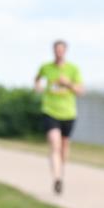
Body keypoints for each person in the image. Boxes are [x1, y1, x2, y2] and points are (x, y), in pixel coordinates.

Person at [34, 40, 84, 195]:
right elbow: (37, 79)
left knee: (64, 146)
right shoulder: (46, 67)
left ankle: (60, 173)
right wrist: (38, 87)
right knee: (54, 144)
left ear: (65, 51)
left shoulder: (73, 69)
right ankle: (56, 178)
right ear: (53, 51)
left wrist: (68, 84)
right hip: (50, 110)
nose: (59, 53)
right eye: (56, 50)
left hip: (68, 112)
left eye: (61, 50)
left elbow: (80, 91)